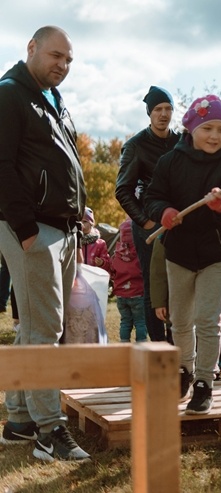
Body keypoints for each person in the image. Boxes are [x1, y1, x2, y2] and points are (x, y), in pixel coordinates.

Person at [0, 26, 90, 461]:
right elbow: (1, 165)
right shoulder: (10, 94)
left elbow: (60, 166)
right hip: (31, 228)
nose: (63, 65)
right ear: (31, 48)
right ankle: (48, 432)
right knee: (43, 329)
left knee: (36, 326)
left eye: (69, 60)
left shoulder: (53, 102)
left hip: (63, 227)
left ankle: (18, 420)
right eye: (56, 56)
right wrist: (24, 227)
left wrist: (79, 210)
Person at [145, 94, 221, 415]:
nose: (215, 136)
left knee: (207, 319)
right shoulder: (170, 162)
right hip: (179, 254)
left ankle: (204, 382)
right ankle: (184, 371)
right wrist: (164, 211)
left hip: (216, 255)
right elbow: (153, 197)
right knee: (180, 320)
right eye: (208, 128)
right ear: (191, 128)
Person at [116, 86, 180, 343]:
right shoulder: (135, 146)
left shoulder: (182, 143)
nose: (163, 114)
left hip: (179, 223)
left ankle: (179, 345)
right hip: (149, 226)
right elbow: (123, 190)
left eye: (168, 109)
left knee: (178, 284)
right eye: (158, 110)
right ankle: (158, 346)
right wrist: (145, 221)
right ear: (149, 113)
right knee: (154, 288)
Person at [150, 237, 221, 378]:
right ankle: (188, 371)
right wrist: (159, 301)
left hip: (207, 293)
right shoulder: (166, 236)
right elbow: (157, 272)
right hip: (181, 295)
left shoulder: (208, 230)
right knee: (187, 330)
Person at [110, 217, 147, 342]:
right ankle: (141, 345)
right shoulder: (140, 253)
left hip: (121, 295)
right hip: (137, 293)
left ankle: (124, 343)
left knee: (125, 322)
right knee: (140, 322)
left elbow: (112, 270)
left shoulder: (117, 254)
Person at [79, 207, 111, 272]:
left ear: (91, 223)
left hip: (93, 277)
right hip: (78, 276)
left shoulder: (100, 244)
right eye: (79, 221)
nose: (81, 225)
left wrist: (102, 263)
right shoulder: (75, 241)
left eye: (85, 221)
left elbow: (108, 263)